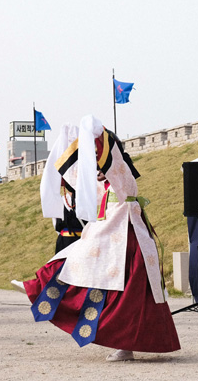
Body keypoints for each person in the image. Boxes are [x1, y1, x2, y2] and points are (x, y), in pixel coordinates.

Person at [23, 116, 180, 362]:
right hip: (107, 244)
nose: (97, 171)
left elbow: (112, 159)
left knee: (129, 299)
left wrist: (95, 134)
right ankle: (39, 287)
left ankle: (125, 345)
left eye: (99, 164)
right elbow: (75, 176)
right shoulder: (104, 188)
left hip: (130, 246)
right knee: (76, 271)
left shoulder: (123, 178)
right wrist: (70, 139)